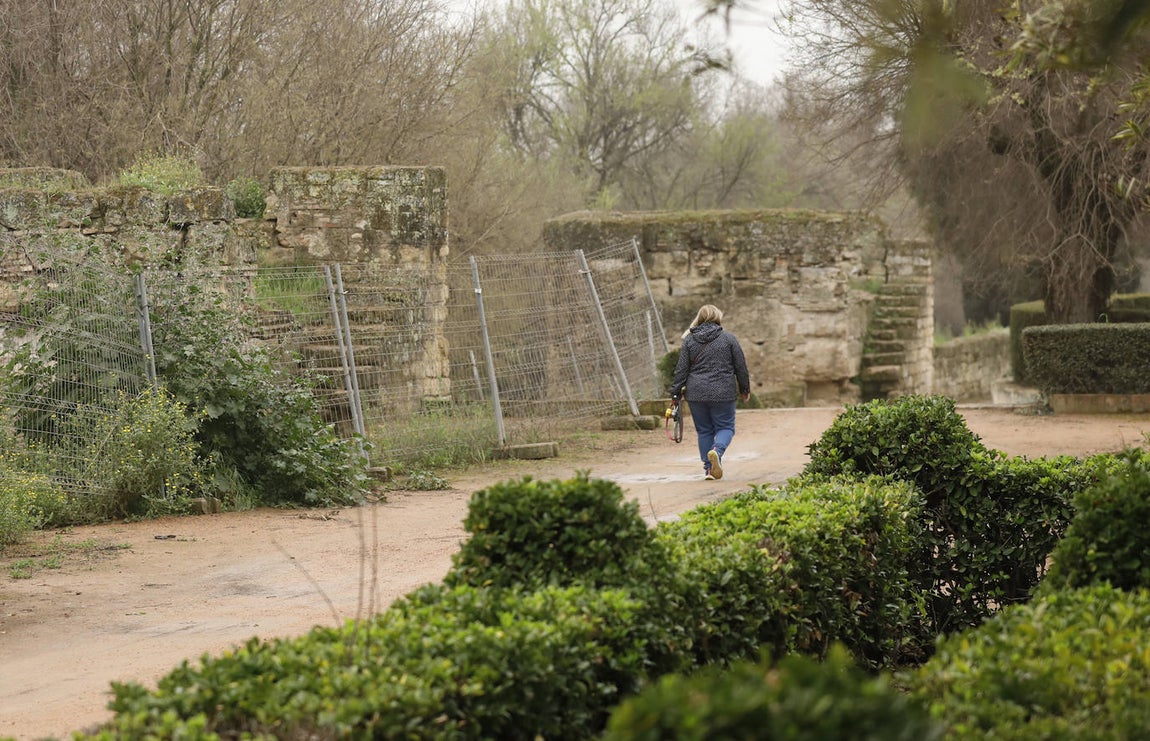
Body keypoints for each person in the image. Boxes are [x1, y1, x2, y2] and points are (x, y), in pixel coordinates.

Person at [668, 304, 751, 480]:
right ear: (717, 317)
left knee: (704, 431)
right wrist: (745, 389)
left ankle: (708, 470)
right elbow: (740, 367)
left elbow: (681, 369)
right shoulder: (729, 339)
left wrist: (675, 392)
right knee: (725, 427)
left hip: (696, 393)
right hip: (723, 392)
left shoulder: (690, 340)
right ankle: (717, 451)